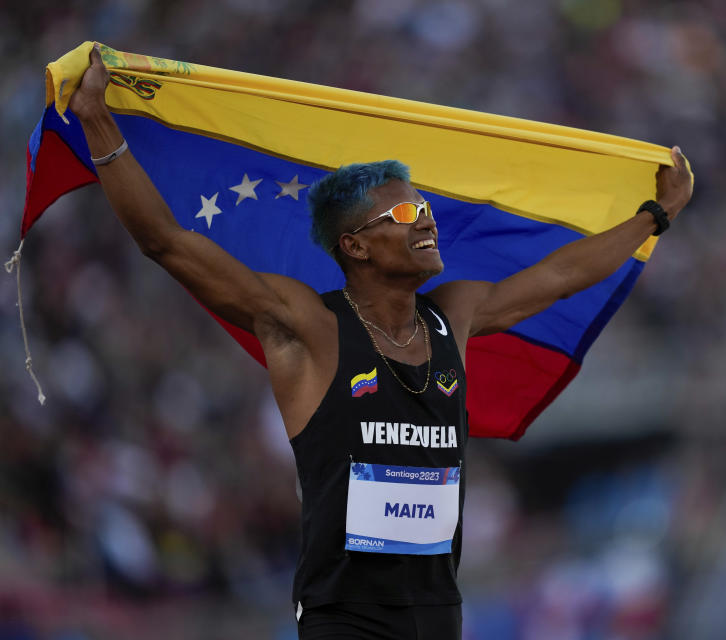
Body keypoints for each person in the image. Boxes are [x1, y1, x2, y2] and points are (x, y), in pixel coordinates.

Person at [68, 44, 693, 639]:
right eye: (401, 215)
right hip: (348, 619)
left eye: (423, 207)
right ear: (356, 246)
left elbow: (558, 277)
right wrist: (98, 122)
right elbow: (168, 243)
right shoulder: (308, 327)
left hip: (440, 612)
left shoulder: (456, 312)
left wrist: (654, 216)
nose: (424, 218)